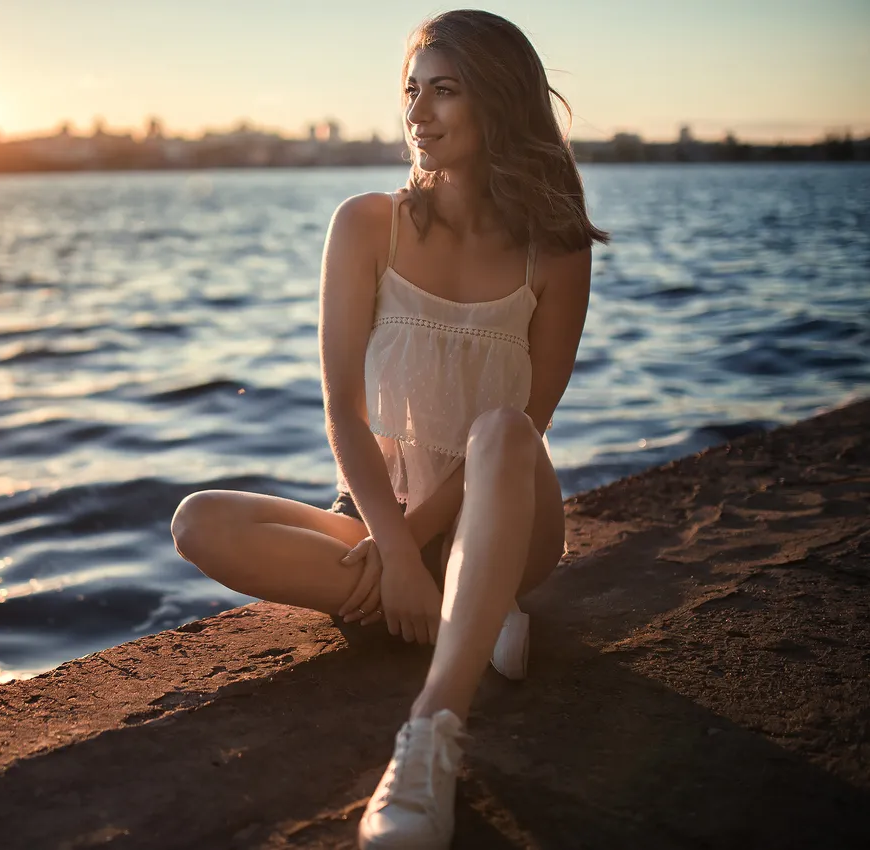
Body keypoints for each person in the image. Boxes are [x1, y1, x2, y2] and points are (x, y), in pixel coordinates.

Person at [171, 9, 606, 849]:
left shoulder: (554, 251)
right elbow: (342, 409)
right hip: (383, 515)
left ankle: (430, 737)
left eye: (445, 91)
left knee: (504, 432)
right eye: (411, 91)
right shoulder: (367, 225)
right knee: (200, 522)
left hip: (507, 521)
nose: (417, 114)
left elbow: (536, 419)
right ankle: (473, 619)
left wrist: (413, 545)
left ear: (501, 103)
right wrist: (395, 549)